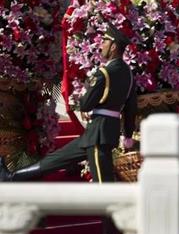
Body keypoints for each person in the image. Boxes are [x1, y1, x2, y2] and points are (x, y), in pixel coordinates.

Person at [0, 26, 137, 183]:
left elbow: (85, 104)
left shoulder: (104, 73)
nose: (102, 45)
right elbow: (131, 108)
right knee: (56, 159)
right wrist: (127, 135)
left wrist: (84, 93)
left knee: (103, 182)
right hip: (101, 132)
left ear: (113, 46)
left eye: (105, 42)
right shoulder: (128, 74)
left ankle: (110, 207)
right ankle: (12, 177)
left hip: (99, 134)